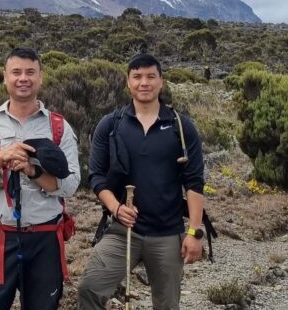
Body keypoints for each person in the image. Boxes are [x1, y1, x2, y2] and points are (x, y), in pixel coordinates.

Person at [78, 53, 206, 310]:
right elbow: (97, 177)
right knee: (89, 288)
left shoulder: (181, 127)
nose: (143, 83)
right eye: (137, 77)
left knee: (167, 305)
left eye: (150, 76)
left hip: (168, 234)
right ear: (128, 82)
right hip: (123, 231)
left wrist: (194, 232)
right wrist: (116, 208)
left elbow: (194, 183)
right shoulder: (110, 124)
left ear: (161, 81)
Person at [0, 47, 80, 309]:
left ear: (41, 77)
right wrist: (0, 158)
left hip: (45, 240)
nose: (22, 78)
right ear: (5, 77)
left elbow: (70, 185)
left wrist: (32, 170)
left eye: (30, 72)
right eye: (16, 72)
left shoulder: (59, 127)